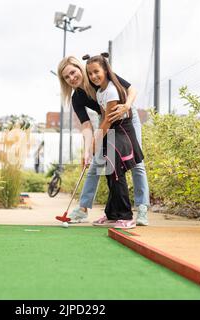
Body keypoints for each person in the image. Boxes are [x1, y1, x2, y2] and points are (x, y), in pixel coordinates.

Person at [57, 56, 150, 226]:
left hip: (126, 116)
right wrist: (87, 150)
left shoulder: (97, 74)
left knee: (136, 162)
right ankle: (83, 209)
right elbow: (86, 126)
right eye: (66, 77)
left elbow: (132, 90)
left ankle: (142, 207)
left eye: (73, 72)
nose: (72, 78)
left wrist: (127, 105)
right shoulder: (76, 98)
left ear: (80, 68)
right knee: (98, 163)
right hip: (105, 121)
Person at [84, 53, 144, 228]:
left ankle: (126, 216)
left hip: (121, 131)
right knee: (110, 172)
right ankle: (112, 214)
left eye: (97, 72)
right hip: (111, 131)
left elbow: (109, 120)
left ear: (105, 70)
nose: (93, 76)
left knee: (116, 173)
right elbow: (103, 116)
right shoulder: (100, 90)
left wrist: (96, 141)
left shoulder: (111, 90)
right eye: (90, 73)